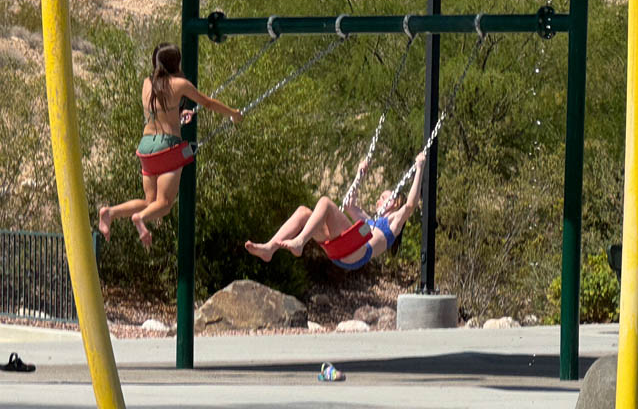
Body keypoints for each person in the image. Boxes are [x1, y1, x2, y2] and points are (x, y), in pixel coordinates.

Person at [98, 43, 243, 249]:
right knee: (165, 204)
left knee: (151, 202)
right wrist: (233, 113)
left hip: (145, 147)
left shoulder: (147, 83)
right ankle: (139, 218)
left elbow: (160, 111)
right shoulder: (179, 84)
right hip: (167, 146)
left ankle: (110, 212)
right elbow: (208, 103)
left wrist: (179, 114)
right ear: (177, 63)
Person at [245, 152, 426, 269]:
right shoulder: (370, 222)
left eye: (384, 197)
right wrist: (359, 176)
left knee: (325, 202)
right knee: (303, 212)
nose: (379, 200)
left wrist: (420, 168)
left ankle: (300, 241)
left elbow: (410, 204)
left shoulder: (394, 223)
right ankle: (270, 248)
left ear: (395, 203)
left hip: (356, 252)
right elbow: (348, 205)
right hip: (339, 251)